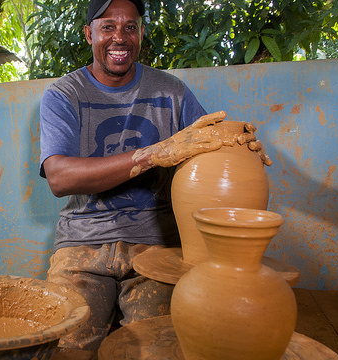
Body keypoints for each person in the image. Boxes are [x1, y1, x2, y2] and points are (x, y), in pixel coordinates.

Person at [38, 0, 270, 353]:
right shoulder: (64, 95)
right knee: (67, 346)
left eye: (130, 27)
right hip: (82, 245)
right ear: (89, 34)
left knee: (158, 347)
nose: (120, 37)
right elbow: (59, 177)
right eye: (108, 27)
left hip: (155, 242)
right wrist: (152, 154)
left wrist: (238, 144)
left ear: (141, 32)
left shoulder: (171, 92)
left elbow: (213, 144)